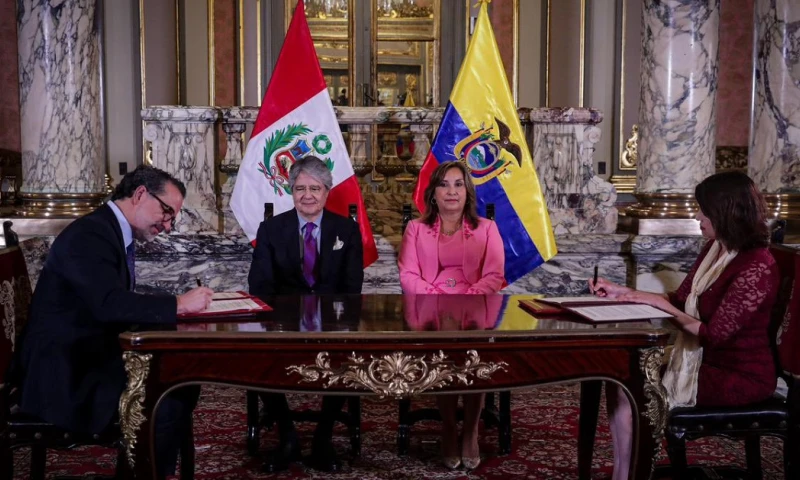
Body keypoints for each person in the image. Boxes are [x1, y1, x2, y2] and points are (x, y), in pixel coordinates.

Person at [12, 165, 215, 477]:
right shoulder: (91, 234)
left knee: (180, 380)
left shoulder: (106, 228)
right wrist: (178, 305)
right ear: (139, 194)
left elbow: (107, 298)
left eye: (173, 218)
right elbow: (108, 304)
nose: (169, 225)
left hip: (85, 354)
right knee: (167, 399)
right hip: (66, 374)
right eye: (166, 212)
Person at [589, 171, 779, 480]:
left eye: (702, 210)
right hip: (708, 361)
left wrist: (658, 305)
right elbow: (680, 300)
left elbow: (713, 334)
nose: (697, 217)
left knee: (632, 383)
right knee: (621, 377)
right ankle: (625, 473)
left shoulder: (757, 265)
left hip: (740, 375)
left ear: (724, 212)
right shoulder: (716, 249)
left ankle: (627, 474)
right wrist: (627, 293)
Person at [248, 155, 364, 472]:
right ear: (291, 191)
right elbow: (258, 285)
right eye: (300, 188)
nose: (307, 195)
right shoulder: (271, 230)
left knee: (348, 358)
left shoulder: (346, 230)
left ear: (327, 191)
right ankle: (287, 436)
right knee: (253, 359)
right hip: (283, 322)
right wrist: (284, 318)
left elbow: (352, 288)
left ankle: (323, 437)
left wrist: (333, 319)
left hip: (333, 322)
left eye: (315, 188)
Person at [397, 161, 505, 470]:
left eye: (459, 184)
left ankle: (470, 430)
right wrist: (439, 304)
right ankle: (447, 426)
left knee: (475, 360)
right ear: (433, 193)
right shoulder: (416, 229)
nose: (452, 191)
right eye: (445, 184)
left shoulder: (487, 228)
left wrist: (465, 303)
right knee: (442, 357)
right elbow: (408, 275)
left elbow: (494, 275)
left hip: (476, 310)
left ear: (467, 191)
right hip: (430, 311)